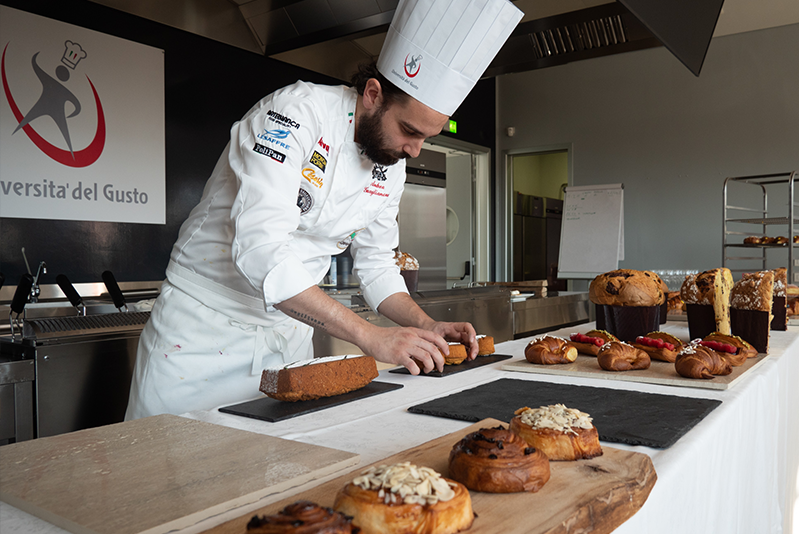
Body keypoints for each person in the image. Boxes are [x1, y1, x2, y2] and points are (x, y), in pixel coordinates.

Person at [125, 0, 522, 419]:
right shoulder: (293, 115)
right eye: (409, 130)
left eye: (425, 137)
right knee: (170, 472)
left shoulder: (391, 165)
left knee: (274, 472)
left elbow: (376, 265)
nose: (414, 149)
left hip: (288, 338)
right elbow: (261, 252)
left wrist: (426, 325)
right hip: (201, 332)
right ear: (373, 94)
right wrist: (371, 337)